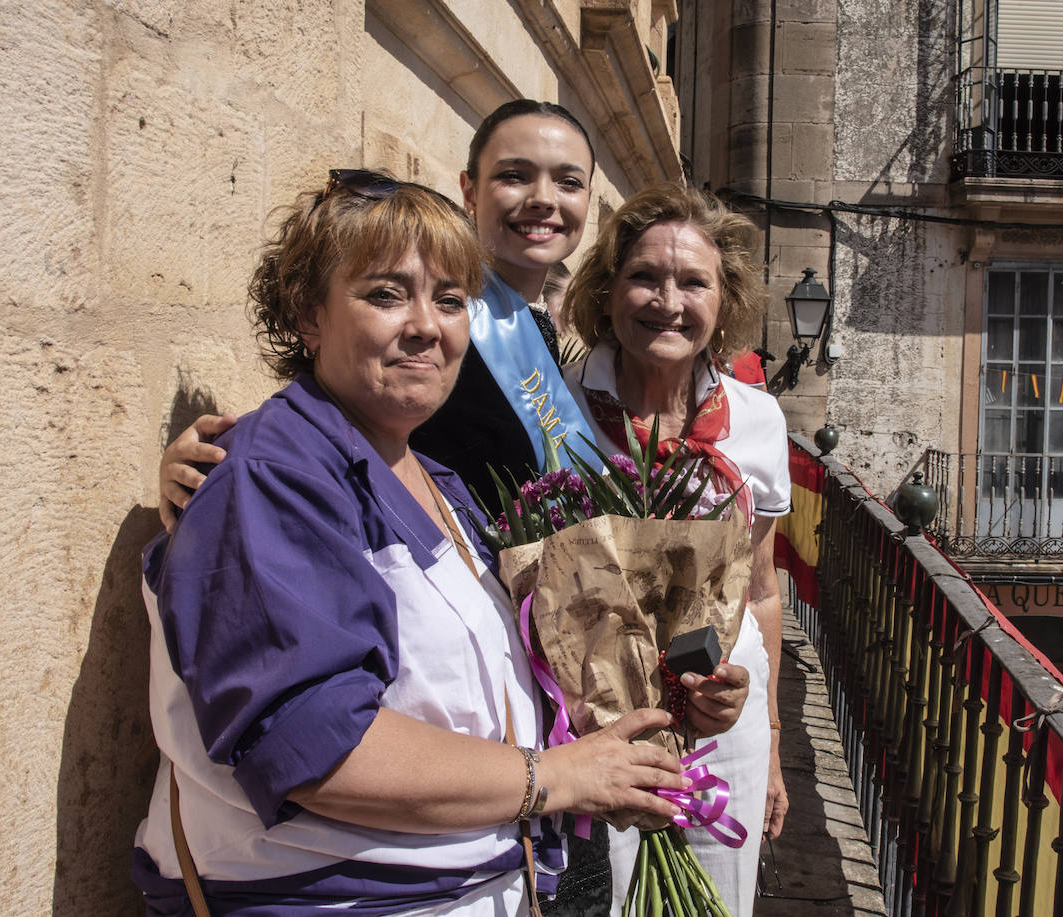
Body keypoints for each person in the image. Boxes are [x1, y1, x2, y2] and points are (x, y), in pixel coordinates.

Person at [132, 172, 744, 916]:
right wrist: (558, 776)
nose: (427, 324)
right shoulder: (274, 474)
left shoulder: (435, 474)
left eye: (451, 300)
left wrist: (648, 717)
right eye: (387, 294)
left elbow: (475, 689)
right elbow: (315, 746)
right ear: (307, 315)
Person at [157, 100, 600, 526]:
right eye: (514, 175)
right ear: (469, 190)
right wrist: (223, 461)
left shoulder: (534, 323)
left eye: (569, 182)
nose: (544, 198)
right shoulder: (439, 325)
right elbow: (338, 407)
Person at [561, 183, 791, 916]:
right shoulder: (557, 406)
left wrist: (774, 738)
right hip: (602, 713)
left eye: (694, 282)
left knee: (719, 900)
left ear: (722, 303)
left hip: (728, 710)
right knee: (616, 898)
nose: (669, 300)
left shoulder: (757, 421)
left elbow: (761, 589)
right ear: (607, 290)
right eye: (645, 277)